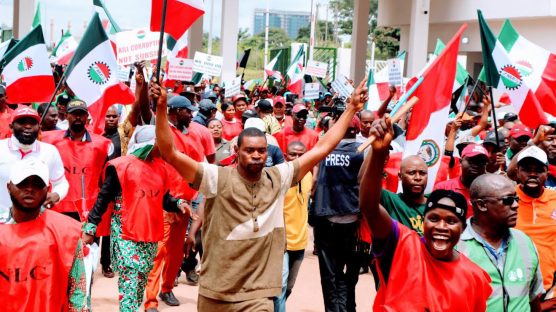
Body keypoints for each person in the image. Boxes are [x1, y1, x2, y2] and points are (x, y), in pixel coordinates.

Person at [153, 78, 367, 311]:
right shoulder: (216, 178)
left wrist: (352, 109)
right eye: (250, 150)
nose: (256, 155)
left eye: (262, 151)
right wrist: (162, 108)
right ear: (237, 151)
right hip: (216, 293)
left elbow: (321, 149)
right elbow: (170, 153)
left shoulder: (279, 177)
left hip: (258, 296)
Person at [359, 116, 492, 311]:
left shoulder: (475, 277)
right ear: (424, 221)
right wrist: (378, 153)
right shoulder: (402, 245)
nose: (441, 227)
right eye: (434, 218)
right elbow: (369, 206)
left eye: (451, 221)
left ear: (463, 228)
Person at [82, 125, 189, 312]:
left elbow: (163, 198)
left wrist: (178, 203)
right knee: (130, 282)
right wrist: (91, 227)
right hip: (126, 234)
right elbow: (103, 198)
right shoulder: (120, 166)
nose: (165, 146)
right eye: (161, 142)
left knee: (140, 284)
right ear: (150, 143)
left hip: (150, 235)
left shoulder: (161, 168)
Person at [0, 158, 87, 311]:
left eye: (37, 184)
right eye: (23, 182)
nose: (30, 189)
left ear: (47, 189)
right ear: (9, 187)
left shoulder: (66, 232)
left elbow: (77, 291)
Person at [458, 174, 543, 311]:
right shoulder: (458, 247)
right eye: (508, 200)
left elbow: (532, 299)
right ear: (481, 205)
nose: (516, 205)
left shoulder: (524, 242)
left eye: (516, 199)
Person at [312, 115, 364, 312]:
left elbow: (315, 178)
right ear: (357, 130)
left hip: (326, 217)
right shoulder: (362, 151)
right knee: (347, 273)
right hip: (352, 219)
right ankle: (346, 308)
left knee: (329, 273)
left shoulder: (325, 148)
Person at [41, 100, 113, 222]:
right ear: (66, 115)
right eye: (74, 114)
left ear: (86, 117)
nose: (78, 117)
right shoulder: (49, 140)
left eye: (81, 113)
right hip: (59, 205)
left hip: (88, 208)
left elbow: (106, 180)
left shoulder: (102, 144)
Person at [0, 107, 68, 217]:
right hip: (2, 223)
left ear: (39, 127)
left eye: (33, 123)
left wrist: (57, 194)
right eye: (22, 122)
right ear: (11, 127)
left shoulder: (50, 151)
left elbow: (61, 183)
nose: (28, 126)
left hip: (36, 222)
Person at [273, 141, 312, 312]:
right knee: (280, 287)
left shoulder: (309, 175)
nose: (297, 158)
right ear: (285, 155)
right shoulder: (279, 177)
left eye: (301, 155)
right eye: (292, 155)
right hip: (281, 242)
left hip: (300, 241)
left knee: (288, 288)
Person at [514, 146, 556, 295]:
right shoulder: (505, 199)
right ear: (518, 172)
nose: (532, 174)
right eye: (526, 169)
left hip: (550, 291)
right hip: (513, 290)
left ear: (547, 173)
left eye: (538, 170)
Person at [434, 143, 489, 214]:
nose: (475, 165)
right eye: (471, 160)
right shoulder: (443, 188)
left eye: (481, 162)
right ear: (460, 162)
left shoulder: (491, 192)